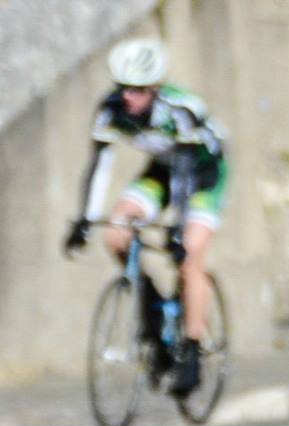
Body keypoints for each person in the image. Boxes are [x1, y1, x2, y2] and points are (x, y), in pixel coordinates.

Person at [64, 38, 229, 399]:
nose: (128, 98)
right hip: (161, 172)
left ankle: (192, 346)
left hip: (202, 176)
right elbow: (100, 165)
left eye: (138, 90)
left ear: (155, 88)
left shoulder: (180, 108)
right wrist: (85, 219)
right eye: (123, 88)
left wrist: (179, 227)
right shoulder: (110, 110)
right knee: (117, 234)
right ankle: (149, 296)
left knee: (189, 255)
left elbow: (186, 172)